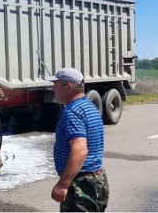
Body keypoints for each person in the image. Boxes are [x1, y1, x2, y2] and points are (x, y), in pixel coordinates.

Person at [46, 68, 109, 212]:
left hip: (81, 184)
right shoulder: (88, 106)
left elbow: (80, 150)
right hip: (96, 180)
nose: (52, 89)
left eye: (55, 85)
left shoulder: (73, 112)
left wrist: (62, 185)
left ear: (68, 87)